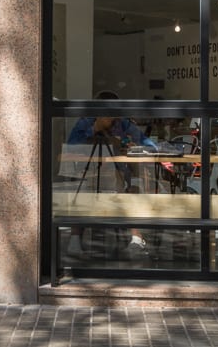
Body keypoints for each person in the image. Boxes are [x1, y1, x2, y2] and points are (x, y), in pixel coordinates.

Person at [64, 91, 156, 256]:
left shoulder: (123, 124)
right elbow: (71, 146)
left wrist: (134, 146)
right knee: (80, 194)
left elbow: (146, 143)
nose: (111, 116)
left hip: (117, 173)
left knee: (129, 193)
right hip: (90, 172)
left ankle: (136, 237)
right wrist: (93, 129)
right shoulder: (85, 122)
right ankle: (75, 238)